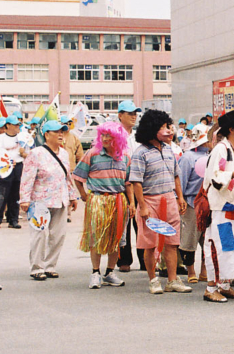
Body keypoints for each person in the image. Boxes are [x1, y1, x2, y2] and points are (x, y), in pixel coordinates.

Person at [129, 109, 192, 295]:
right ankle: (153, 279)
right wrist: (142, 206)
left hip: (169, 199)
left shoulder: (168, 149)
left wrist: (179, 197)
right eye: (164, 127)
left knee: (172, 242)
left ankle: (172, 280)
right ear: (152, 128)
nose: (169, 131)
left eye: (169, 126)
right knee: (150, 242)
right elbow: (136, 182)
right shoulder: (140, 153)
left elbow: (175, 176)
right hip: (150, 201)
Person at [201, 110, 234, 303]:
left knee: (231, 247)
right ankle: (211, 287)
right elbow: (215, 176)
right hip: (221, 207)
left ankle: (224, 284)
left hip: (233, 206)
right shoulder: (221, 149)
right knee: (218, 245)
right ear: (231, 129)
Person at [73, 121, 132, 289]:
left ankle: (109, 272)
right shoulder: (93, 154)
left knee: (116, 239)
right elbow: (77, 177)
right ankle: (95, 272)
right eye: (103, 135)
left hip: (119, 201)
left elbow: (129, 183)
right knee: (96, 238)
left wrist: (132, 204)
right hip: (98, 200)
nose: (105, 139)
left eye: (109, 136)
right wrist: (84, 195)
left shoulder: (125, 157)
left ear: (118, 138)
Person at [18, 121, 79, 281]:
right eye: (56, 132)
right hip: (40, 201)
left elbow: (67, 177)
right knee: (39, 235)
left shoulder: (64, 154)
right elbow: (27, 177)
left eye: (62, 132)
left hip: (60, 199)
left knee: (58, 235)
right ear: (46, 134)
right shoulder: (36, 153)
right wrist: (24, 199)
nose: (60, 135)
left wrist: (72, 196)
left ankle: (50, 266)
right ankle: (37, 267)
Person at [176, 125, 209, 284]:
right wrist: (179, 199)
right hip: (191, 202)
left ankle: (204, 270)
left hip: (209, 203)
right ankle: (191, 271)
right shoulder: (187, 157)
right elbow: (180, 181)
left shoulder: (211, 155)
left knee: (207, 238)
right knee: (189, 238)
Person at [116, 100, 144, 273]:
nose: (133, 116)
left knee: (141, 222)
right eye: (129, 113)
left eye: (135, 113)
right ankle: (123, 259)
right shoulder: (114, 135)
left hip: (138, 182)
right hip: (120, 184)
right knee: (123, 223)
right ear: (120, 115)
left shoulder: (137, 136)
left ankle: (144, 259)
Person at [0, 113, 26, 229]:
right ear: (8, 125)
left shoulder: (22, 138)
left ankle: (13, 220)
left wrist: (23, 153)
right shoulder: (0, 139)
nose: (18, 127)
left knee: (15, 195)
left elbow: (29, 153)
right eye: (15, 125)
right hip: (4, 168)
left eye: (19, 125)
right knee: (2, 194)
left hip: (18, 167)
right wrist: (7, 161)